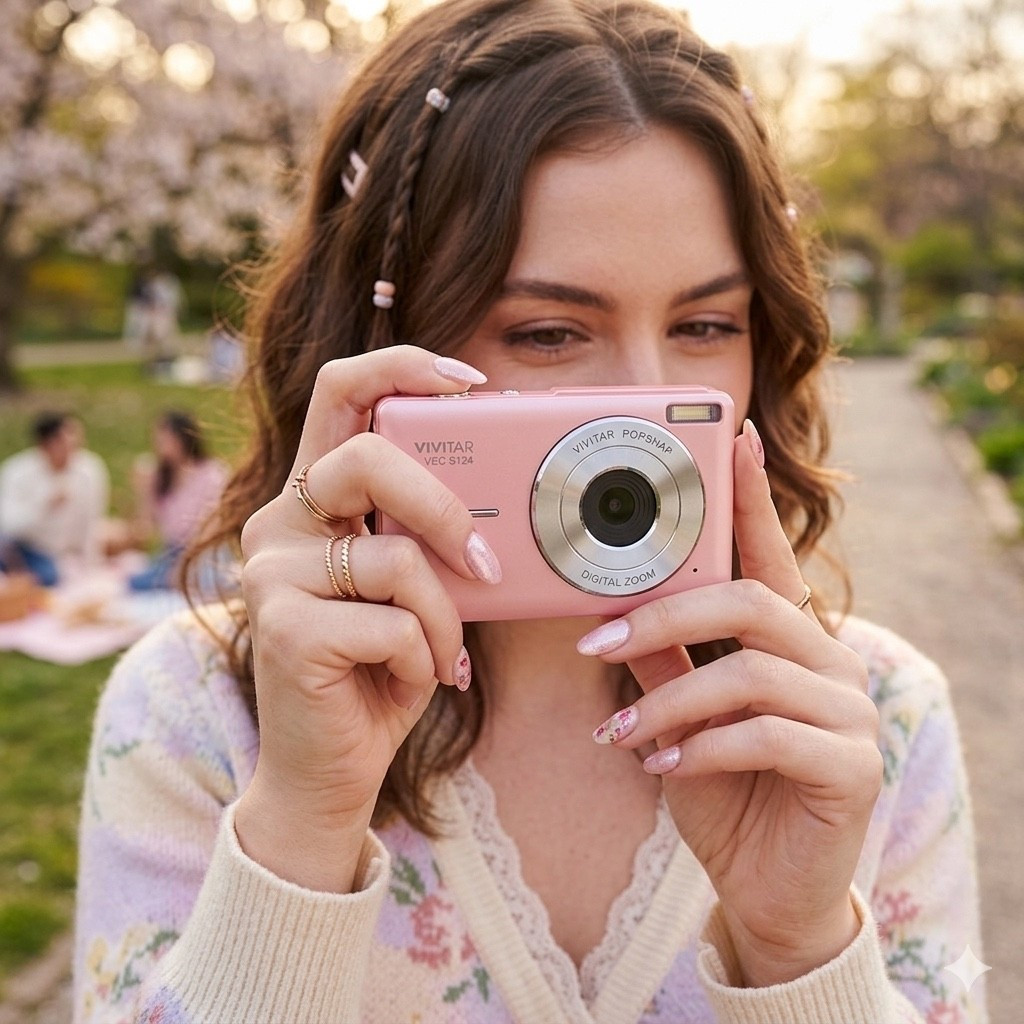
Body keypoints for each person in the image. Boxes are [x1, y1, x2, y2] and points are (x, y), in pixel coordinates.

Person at [73, 2, 987, 1022]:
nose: (643, 402)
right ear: (384, 348)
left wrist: (801, 950)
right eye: (549, 332)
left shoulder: (874, 725)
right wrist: (300, 823)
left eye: (705, 323)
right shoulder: (201, 716)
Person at [0, 412, 109, 587]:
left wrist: (91, 566)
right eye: (65, 440)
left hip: (54, 558)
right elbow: (8, 525)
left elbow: (92, 522)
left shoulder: (90, 470)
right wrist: (44, 505)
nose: (73, 445)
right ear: (45, 444)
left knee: (49, 575)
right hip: (21, 546)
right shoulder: (17, 472)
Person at [126, 411, 228, 591]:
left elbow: (216, 525)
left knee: (206, 582)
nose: (158, 446)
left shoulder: (212, 473)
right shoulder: (160, 476)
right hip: (172, 551)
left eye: (163, 439)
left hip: (203, 550)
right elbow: (145, 528)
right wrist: (143, 492)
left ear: (181, 438)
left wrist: (186, 562)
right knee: (137, 582)